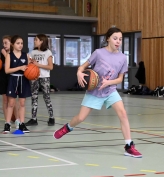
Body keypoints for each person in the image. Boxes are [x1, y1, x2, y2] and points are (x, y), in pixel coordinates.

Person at [53, 27, 142, 158]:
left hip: (110, 90)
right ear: (108, 39)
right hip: (94, 91)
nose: (118, 41)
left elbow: (120, 78)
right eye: (115, 38)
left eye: (120, 39)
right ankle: (68, 127)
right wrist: (79, 72)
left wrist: (108, 83)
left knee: (123, 114)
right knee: (81, 118)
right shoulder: (98, 53)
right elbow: (83, 67)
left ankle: (129, 146)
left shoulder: (123, 58)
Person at [0, 35, 20, 129]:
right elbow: (2, 67)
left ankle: (17, 120)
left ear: (11, 43)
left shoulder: (15, 53)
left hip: (12, 78)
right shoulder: (2, 53)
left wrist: (5, 55)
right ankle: (7, 121)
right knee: (5, 100)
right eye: (3, 43)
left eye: (6, 42)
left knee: (13, 101)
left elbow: (13, 64)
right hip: (3, 78)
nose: (4, 45)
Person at [3, 35, 31, 133]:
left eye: (22, 43)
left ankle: (22, 124)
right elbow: (7, 70)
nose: (20, 45)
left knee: (22, 103)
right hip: (13, 79)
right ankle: (7, 124)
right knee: (11, 103)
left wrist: (32, 69)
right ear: (12, 44)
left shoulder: (26, 55)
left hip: (23, 80)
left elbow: (30, 69)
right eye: (18, 43)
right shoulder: (9, 55)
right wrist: (19, 68)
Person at [25, 34, 55, 126]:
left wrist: (38, 65)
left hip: (44, 77)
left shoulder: (48, 52)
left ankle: (51, 117)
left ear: (41, 41)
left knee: (47, 97)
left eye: (36, 39)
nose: (34, 41)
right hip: (34, 77)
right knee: (34, 97)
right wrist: (28, 61)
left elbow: (50, 67)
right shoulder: (32, 52)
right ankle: (34, 119)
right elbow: (29, 63)